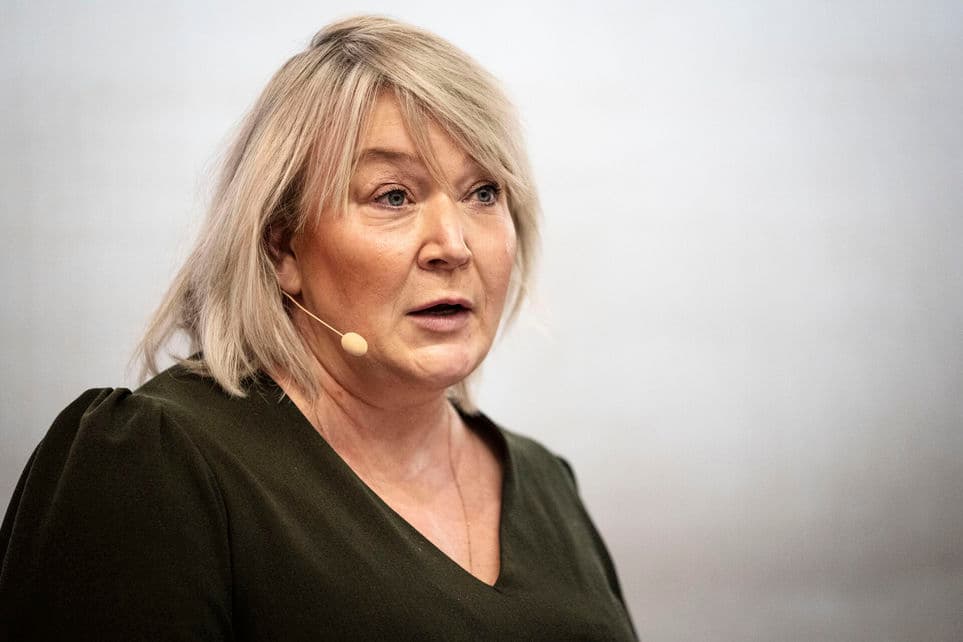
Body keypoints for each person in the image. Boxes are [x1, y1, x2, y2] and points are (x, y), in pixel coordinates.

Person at [0, 16, 637, 641]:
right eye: (393, 196)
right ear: (283, 249)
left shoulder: (547, 483)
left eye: (484, 192)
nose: (453, 245)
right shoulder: (155, 462)